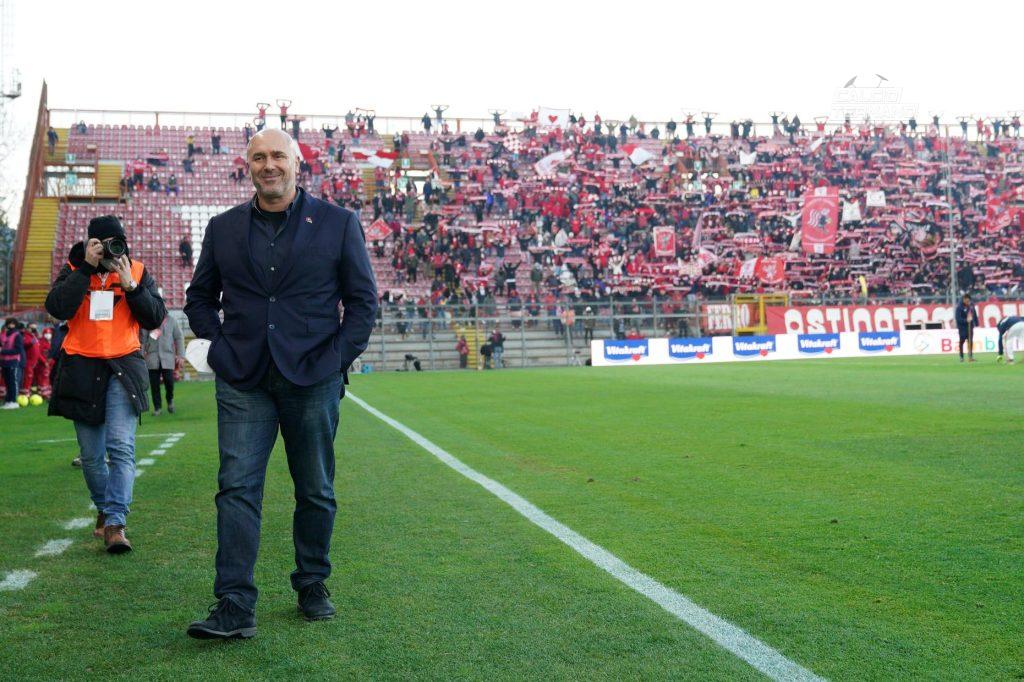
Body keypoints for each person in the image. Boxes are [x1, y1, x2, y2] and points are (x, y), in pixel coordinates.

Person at [184, 128, 377, 638]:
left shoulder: (339, 223)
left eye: (277, 156)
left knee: (314, 488)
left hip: (313, 378)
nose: (268, 165)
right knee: (237, 488)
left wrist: (335, 360)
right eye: (258, 157)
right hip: (243, 378)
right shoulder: (223, 228)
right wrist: (220, 347)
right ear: (247, 165)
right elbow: (199, 298)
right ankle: (234, 603)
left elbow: (363, 304)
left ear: (297, 163)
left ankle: (312, 583)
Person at [45, 216, 167, 552]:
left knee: (121, 446)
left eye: (118, 242)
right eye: (103, 243)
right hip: (81, 367)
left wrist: (130, 285)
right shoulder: (74, 269)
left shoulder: (136, 271)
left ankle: (115, 522)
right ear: (90, 244)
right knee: (91, 455)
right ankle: (103, 507)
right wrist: (86, 267)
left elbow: (155, 317)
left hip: (122, 366)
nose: (112, 249)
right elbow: (57, 308)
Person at [141, 314, 184, 415]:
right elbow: (142, 340)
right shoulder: (148, 320)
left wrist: (181, 355)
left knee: (169, 381)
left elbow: (179, 337)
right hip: (152, 357)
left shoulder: (172, 320)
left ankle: (170, 400)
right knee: (154, 384)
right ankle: (157, 408)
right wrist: (141, 356)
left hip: (168, 357)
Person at [1, 317, 25, 408]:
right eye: (9, 323)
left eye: (12, 323)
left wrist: (3, 351)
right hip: (4, 362)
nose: (11, 325)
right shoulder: (4, 334)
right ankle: (8, 401)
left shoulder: (17, 335)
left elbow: (18, 350)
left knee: (13, 382)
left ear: (15, 324)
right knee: (7, 382)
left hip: (13, 361)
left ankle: (14, 401)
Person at [954, 293, 979, 362]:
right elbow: (958, 319)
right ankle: (961, 357)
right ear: (964, 299)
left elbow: (974, 314)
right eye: (967, 301)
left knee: (970, 341)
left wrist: (976, 323)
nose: (968, 302)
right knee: (962, 342)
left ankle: (970, 356)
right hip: (962, 328)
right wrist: (966, 320)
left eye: (969, 301)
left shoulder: (971, 306)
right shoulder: (959, 307)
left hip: (970, 327)